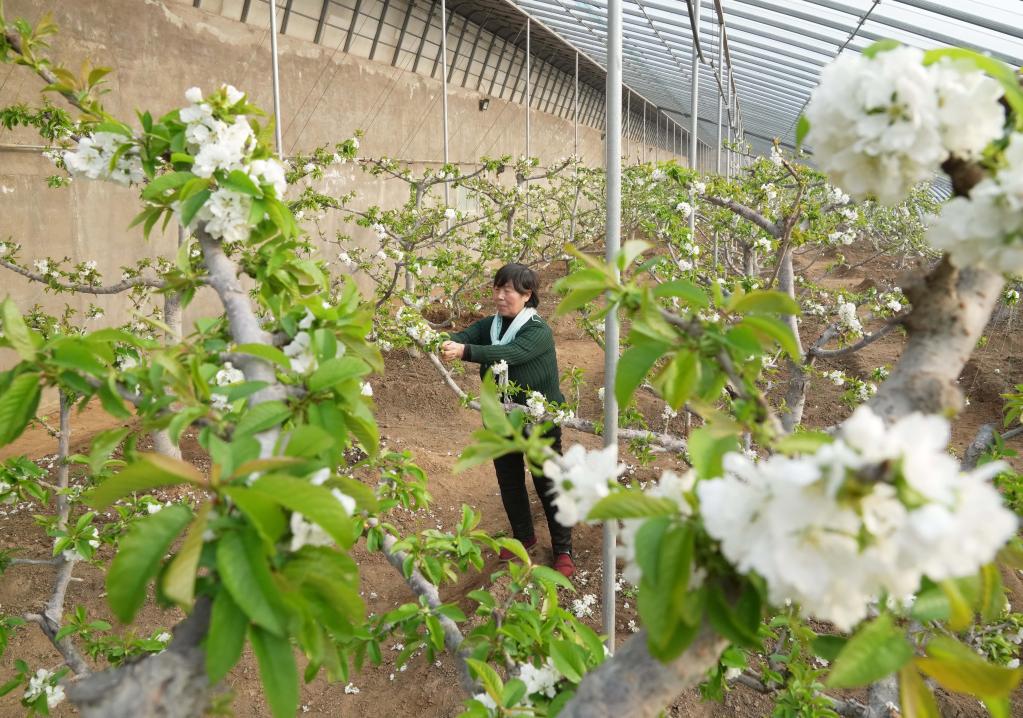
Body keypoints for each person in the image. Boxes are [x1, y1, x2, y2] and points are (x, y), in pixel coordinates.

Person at [440, 263, 574, 578]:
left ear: (527, 295)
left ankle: (564, 549)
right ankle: (524, 538)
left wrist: (465, 351)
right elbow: (465, 334)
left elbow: (508, 355)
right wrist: (447, 341)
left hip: (540, 419)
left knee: (548, 483)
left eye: (508, 290)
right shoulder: (492, 324)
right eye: (497, 288)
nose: (500, 296)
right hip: (502, 418)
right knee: (510, 481)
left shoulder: (537, 331)